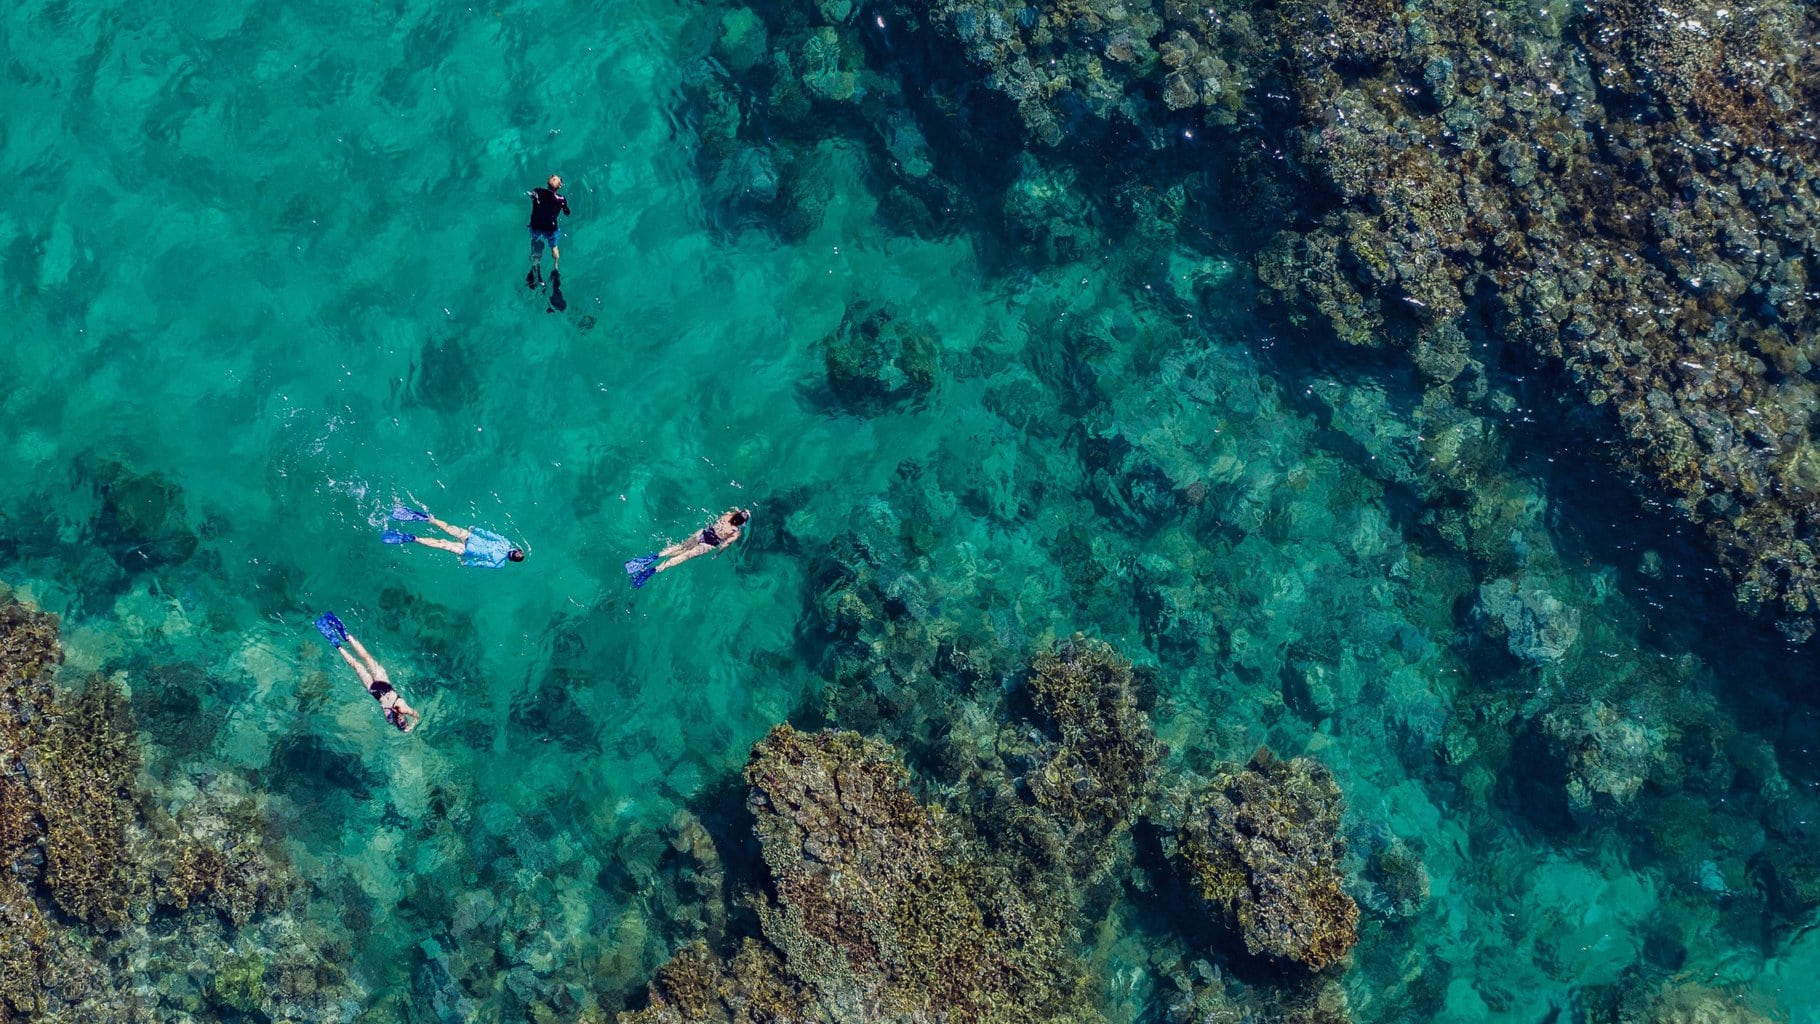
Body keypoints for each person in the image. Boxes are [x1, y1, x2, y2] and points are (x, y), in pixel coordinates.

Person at [314, 613, 420, 732]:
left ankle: (337, 645)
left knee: (356, 665)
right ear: (406, 718)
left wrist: (398, 723)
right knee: (367, 658)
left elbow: (388, 715)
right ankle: (347, 636)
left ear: (397, 723)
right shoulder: (404, 709)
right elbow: (417, 715)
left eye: (400, 723)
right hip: (384, 683)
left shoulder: (390, 719)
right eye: (404, 721)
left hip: (374, 690)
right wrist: (411, 726)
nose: (402, 720)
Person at [625, 508, 750, 588]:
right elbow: (724, 544)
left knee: (680, 547)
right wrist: (717, 554)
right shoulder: (735, 532)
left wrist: (737, 511)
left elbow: (732, 510)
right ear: (742, 523)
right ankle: (652, 571)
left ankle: (653, 557)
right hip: (708, 544)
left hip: (701, 534)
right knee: (682, 557)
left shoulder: (727, 515)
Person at [382, 503, 525, 568]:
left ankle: (428, 519)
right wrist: (468, 563)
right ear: (512, 560)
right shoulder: (499, 564)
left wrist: (476, 529)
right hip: (467, 550)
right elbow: (482, 563)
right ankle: (414, 538)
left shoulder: (505, 542)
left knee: (448, 528)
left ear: (515, 550)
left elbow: (490, 534)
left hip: (470, 537)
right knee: (441, 544)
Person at [525, 174, 570, 289]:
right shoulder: (561, 199)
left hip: (536, 225)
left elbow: (531, 195)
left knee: (536, 243)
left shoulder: (537, 192)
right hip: (550, 228)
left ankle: (535, 266)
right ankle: (555, 268)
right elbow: (567, 212)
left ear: (547, 183)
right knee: (554, 247)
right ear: (560, 186)